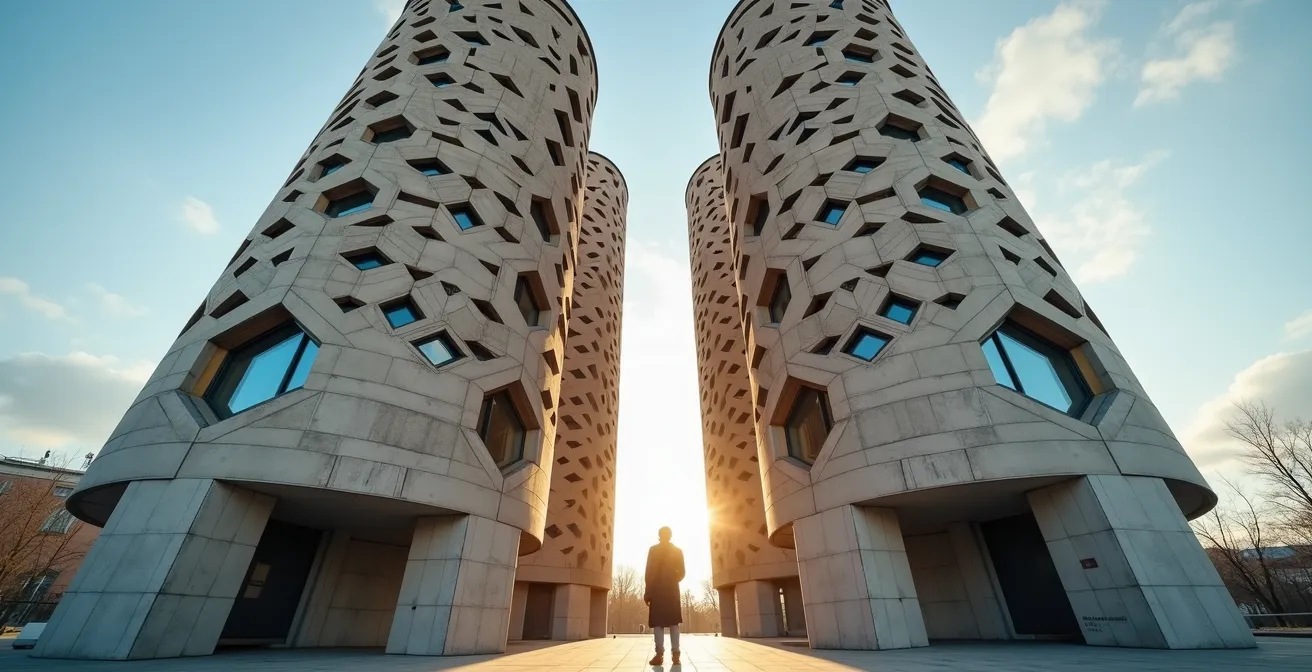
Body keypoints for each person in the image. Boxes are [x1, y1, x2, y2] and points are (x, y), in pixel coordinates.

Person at [644, 526, 685, 666]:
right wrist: (672, 579)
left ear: (659, 535)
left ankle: (659, 654)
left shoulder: (653, 550)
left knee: (658, 623)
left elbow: (649, 572)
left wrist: (648, 591)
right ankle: (676, 655)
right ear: (670, 535)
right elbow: (682, 572)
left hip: (656, 589)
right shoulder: (678, 551)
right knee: (674, 623)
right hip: (672, 590)